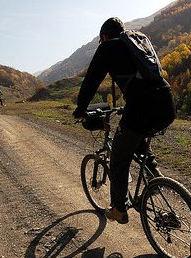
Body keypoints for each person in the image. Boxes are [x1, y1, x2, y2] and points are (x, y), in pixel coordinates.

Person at [73, 17, 176, 225]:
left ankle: (119, 209)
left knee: (119, 156)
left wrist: (81, 109)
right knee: (135, 134)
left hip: (141, 106)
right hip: (166, 102)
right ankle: (153, 174)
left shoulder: (107, 48)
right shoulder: (138, 43)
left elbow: (91, 80)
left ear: (104, 36)